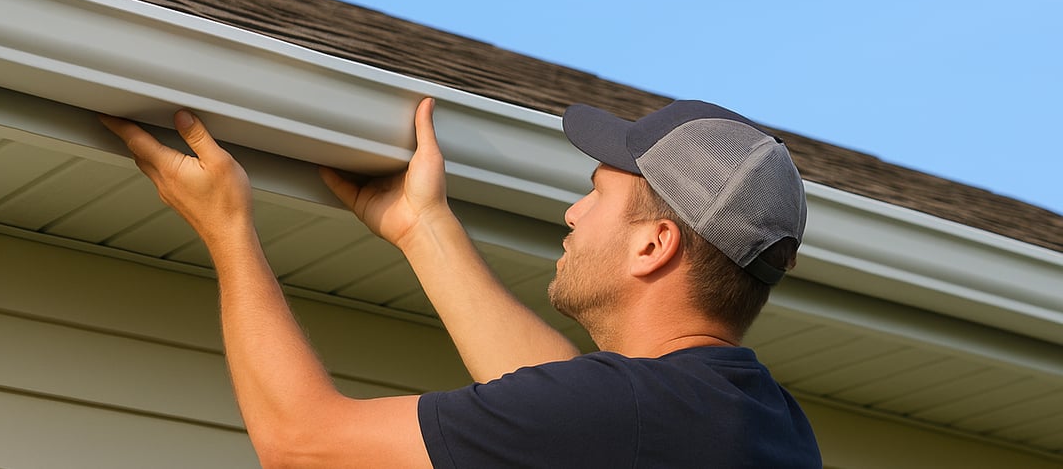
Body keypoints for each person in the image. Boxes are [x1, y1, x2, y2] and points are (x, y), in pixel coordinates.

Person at [99, 97, 822, 468]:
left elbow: (302, 444)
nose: (573, 213)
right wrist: (424, 229)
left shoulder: (629, 413)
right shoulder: (768, 426)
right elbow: (563, 406)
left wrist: (227, 228)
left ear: (654, 244)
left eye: (596, 193)